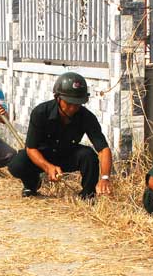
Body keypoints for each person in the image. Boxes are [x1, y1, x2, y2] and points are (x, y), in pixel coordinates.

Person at [8, 72, 113, 200]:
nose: (73, 108)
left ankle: (88, 195)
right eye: (69, 103)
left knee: (88, 155)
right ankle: (31, 185)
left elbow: (103, 150)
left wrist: (105, 177)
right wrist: (47, 167)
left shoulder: (87, 117)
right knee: (18, 163)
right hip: (43, 155)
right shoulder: (40, 113)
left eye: (77, 104)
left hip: (67, 155)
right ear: (57, 98)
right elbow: (31, 148)